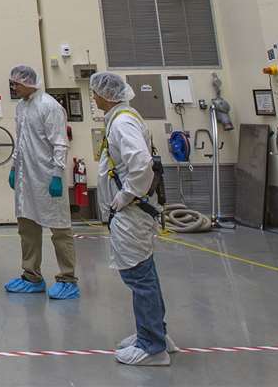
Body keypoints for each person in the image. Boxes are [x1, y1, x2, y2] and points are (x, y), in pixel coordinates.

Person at [91, 71, 176, 366]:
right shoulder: (121, 117)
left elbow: (140, 164)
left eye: (95, 92)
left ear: (107, 94)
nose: (93, 97)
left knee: (138, 276)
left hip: (132, 211)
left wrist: (126, 195)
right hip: (131, 210)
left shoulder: (123, 122)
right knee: (145, 273)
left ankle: (152, 345)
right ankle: (156, 333)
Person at [6, 64, 78, 299]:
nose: (13, 87)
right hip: (27, 178)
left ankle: (68, 278)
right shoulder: (21, 107)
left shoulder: (50, 106)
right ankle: (31, 276)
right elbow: (21, 140)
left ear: (27, 82)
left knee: (59, 229)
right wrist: (14, 168)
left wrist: (58, 174)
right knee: (27, 227)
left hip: (47, 177)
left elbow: (59, 142)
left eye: (16, 83)